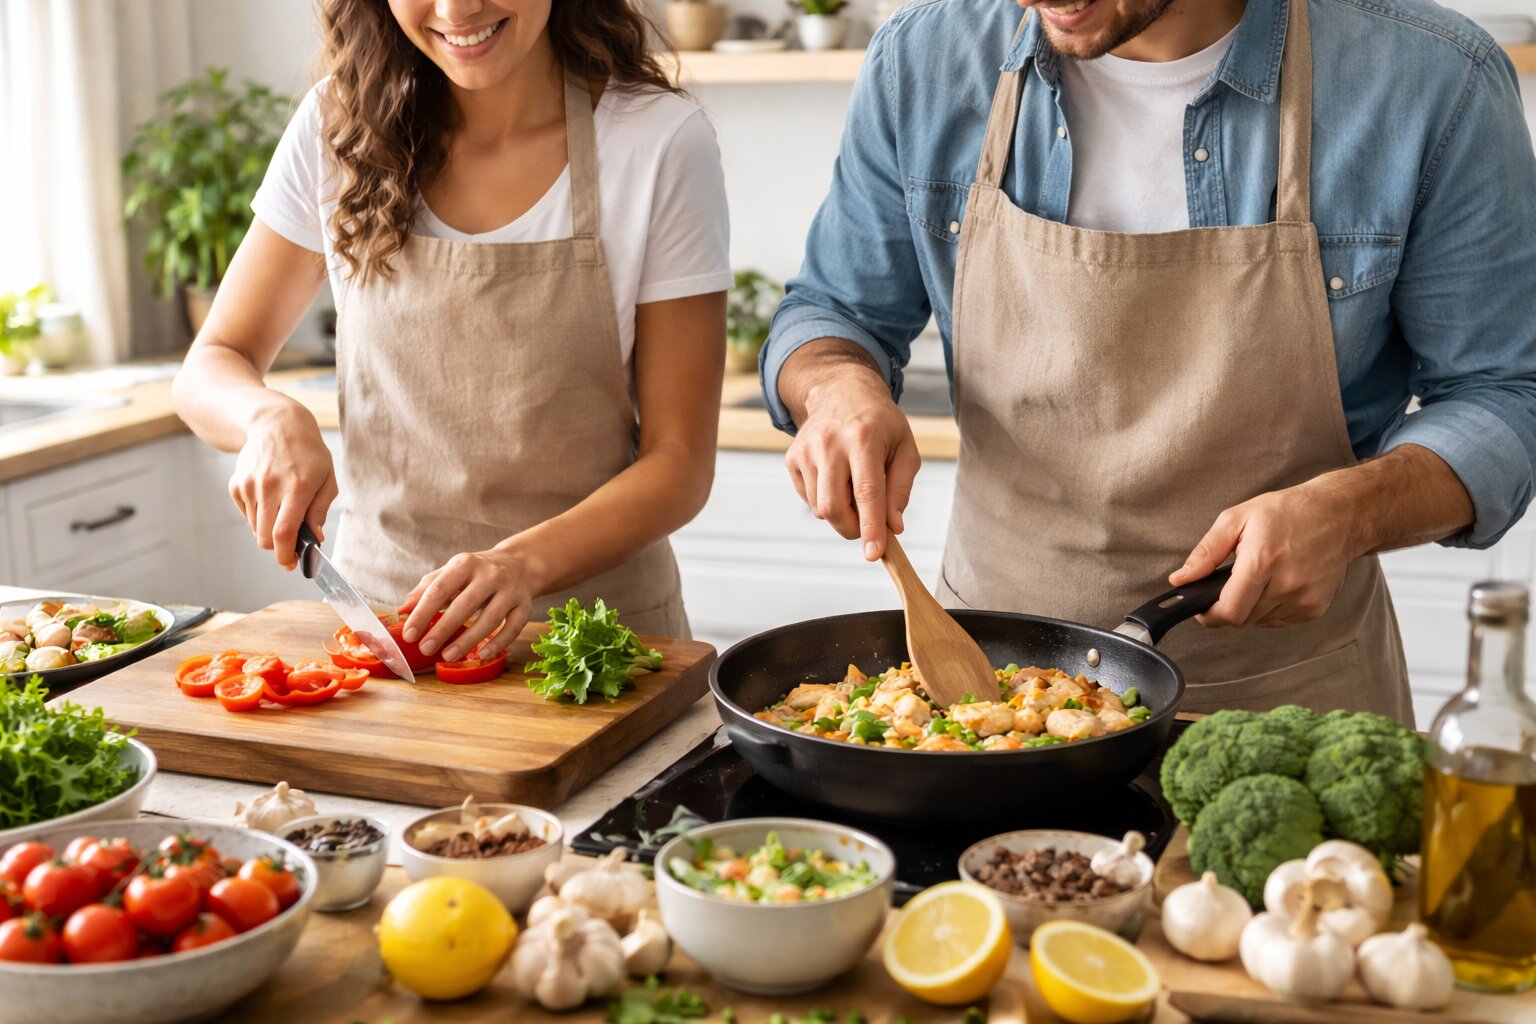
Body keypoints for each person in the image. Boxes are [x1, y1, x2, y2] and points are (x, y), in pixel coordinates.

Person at [759, 0, 1536, 719]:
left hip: (1290, 701)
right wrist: (837, 388)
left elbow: (1505, 394)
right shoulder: (925, 58)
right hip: (984, 694)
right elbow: (836, 312)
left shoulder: (1430, 80)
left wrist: (1349, 511)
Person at [175, 0, 730, 661]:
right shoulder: (338, 128)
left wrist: (521, 565)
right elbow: (214, 361)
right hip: (381, 633)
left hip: (599, 644)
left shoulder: (657, 141)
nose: (455, 9)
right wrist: (265, 418)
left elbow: (680, 464)